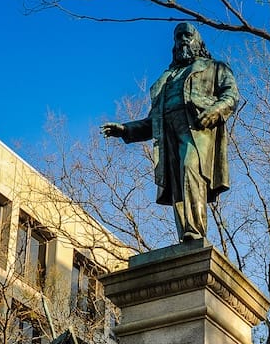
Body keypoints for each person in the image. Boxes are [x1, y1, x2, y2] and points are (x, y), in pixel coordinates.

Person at [102, 23, 239, 242]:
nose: (183, 39)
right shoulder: (167, 79)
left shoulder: (214, 68)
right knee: (177, 184)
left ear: (197, 41)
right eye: (178, 36)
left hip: (197, 129)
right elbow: (152, 122)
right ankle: (185, 234)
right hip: (168, 134)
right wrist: (126, 130)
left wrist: (214, 111)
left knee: (190, 168)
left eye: (187, 35)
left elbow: (231, 96)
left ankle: (196, 232)